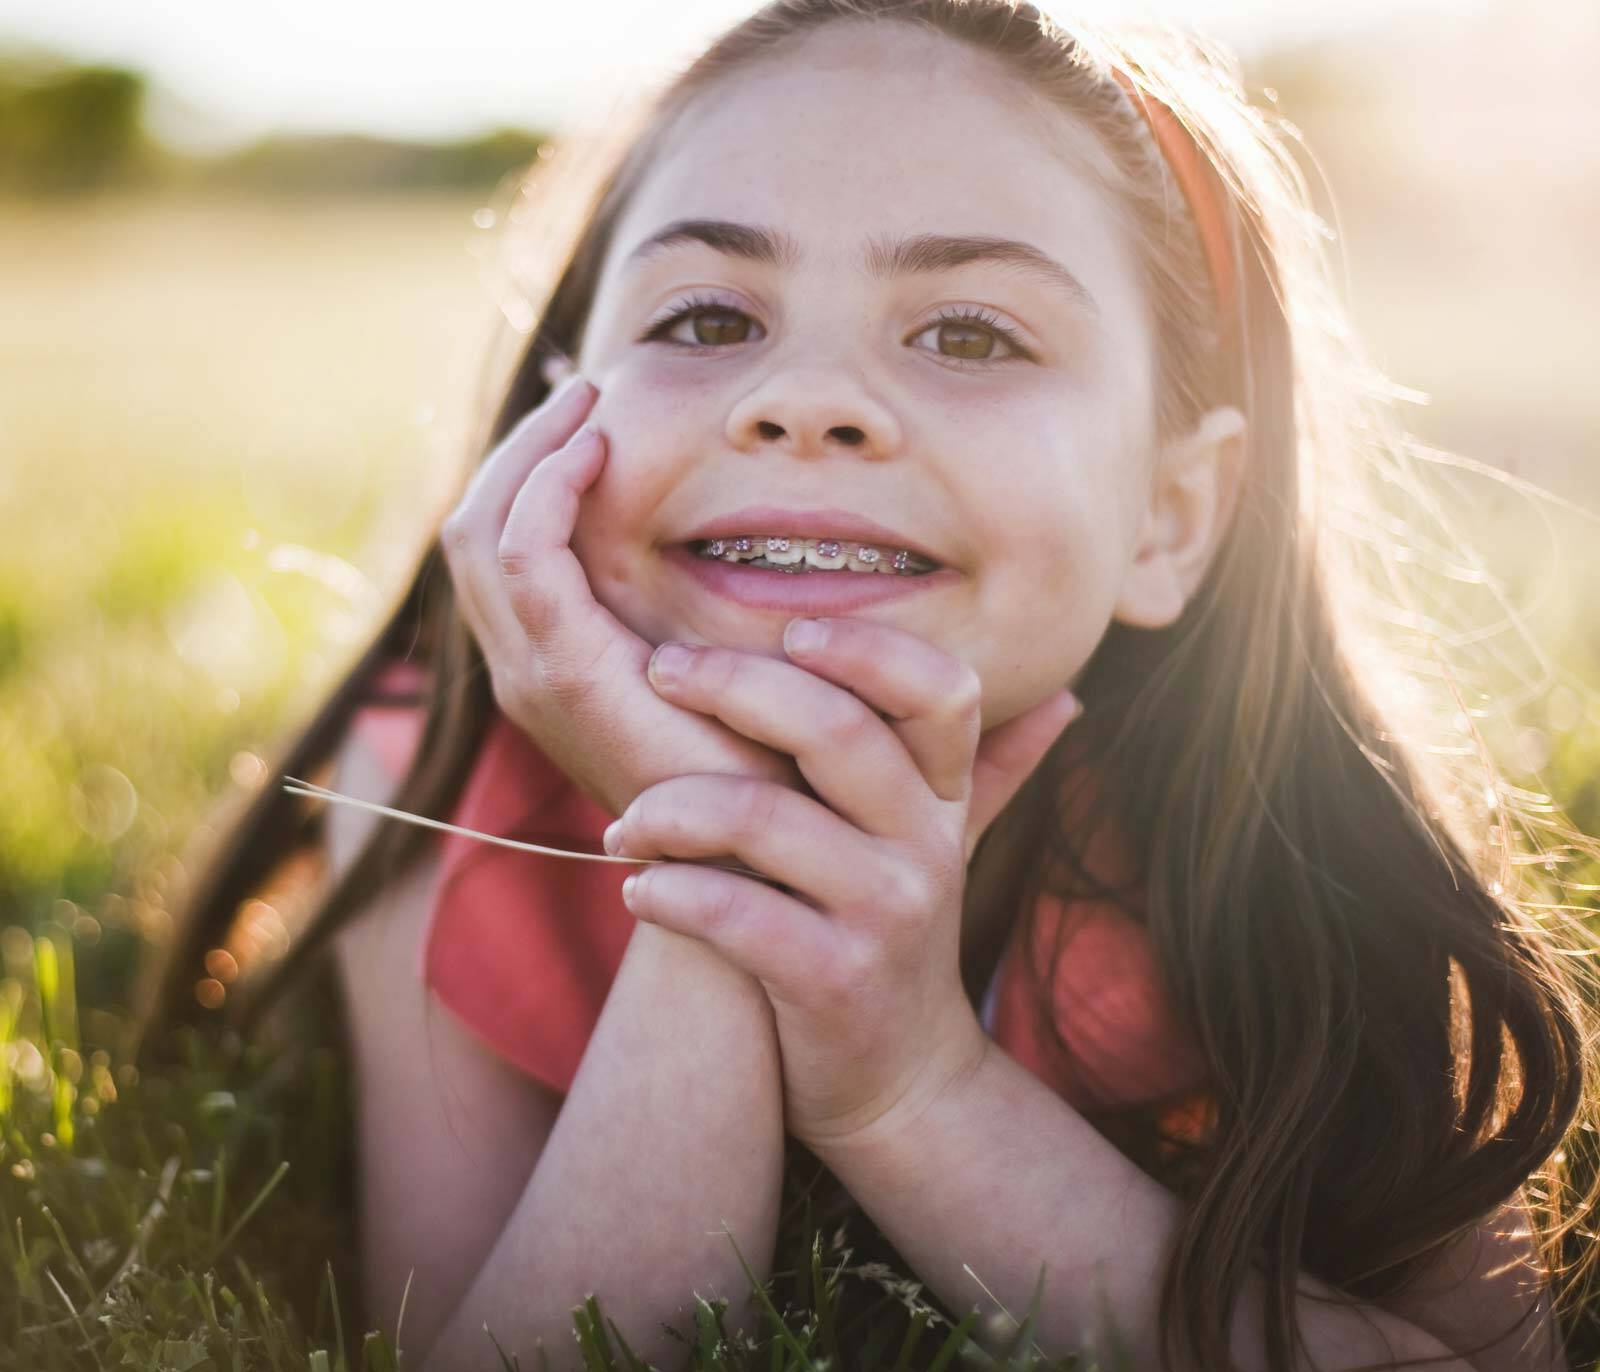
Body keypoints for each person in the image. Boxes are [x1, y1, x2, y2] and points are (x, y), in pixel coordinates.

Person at [126, 3, 1598, 1369]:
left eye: (969, 332)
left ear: (1171, 517)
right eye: (706, 321)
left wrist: (912, 1088)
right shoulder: (433, 780)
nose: (808, 398)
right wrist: (718, 836)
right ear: (551, 432)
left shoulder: (1299, 836)